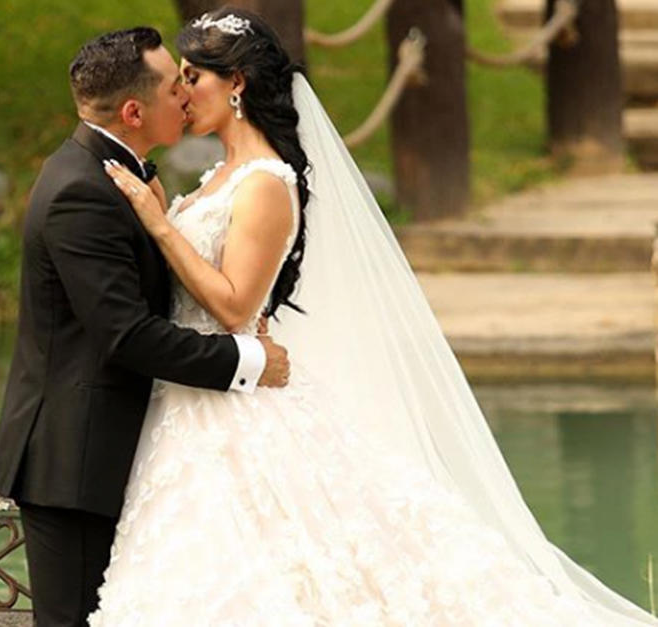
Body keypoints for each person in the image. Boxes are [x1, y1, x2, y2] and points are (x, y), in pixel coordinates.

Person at [92, 7, 658, 625]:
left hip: (235, 403)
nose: (181, 91)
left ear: (236, 85)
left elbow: (233, 307)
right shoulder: (215, 177)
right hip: (191, 395)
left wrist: (157, 225)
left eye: (192, 76)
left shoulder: (263, 184)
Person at [0, 25, 292, 627]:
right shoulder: (82, 190)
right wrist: (249, 361)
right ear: (133, 111)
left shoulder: (118, 174)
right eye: (175, 83)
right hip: (72, 463)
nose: (184, 93)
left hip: (131, 450)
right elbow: (126, 335)